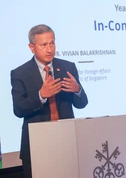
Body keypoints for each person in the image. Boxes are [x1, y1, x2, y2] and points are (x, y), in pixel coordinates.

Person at [10, 24, 88, 178]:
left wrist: (77, 90)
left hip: (67, 142)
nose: (50, 49)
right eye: (44, 45)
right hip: (36, 145)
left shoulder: (67, 67)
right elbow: (18, 109)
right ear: (32, 47)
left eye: (52, 43)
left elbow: (81, 104)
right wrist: (41, 95)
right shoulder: (19, 73)